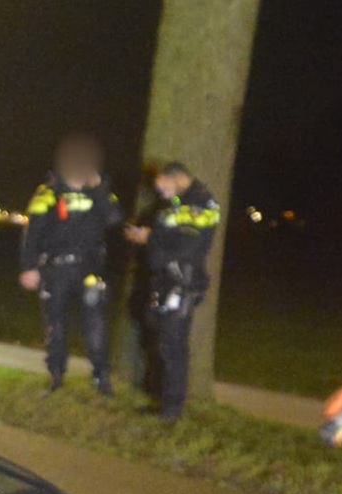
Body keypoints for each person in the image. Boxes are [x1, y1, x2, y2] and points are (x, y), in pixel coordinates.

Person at [18, 135, 125, 395]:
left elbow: (114, 218)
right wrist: (28, 267)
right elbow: (32, 233)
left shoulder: (98, 193)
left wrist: (99, 188)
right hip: (56, 270)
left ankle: (101, 377)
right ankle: (56, 376)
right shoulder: (48, 193)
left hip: (90, 269)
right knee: (55, 324)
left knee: (95, 324)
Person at [124, 162, 222, 422]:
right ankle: (161, 399)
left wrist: (149, 239)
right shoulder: (179, 203)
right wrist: (150, 234)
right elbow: (172, 237)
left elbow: (187, 249)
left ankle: (172, 409)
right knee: (159, 340)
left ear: (177, 177)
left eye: (162, 187)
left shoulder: (199, 203)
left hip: (181, 282)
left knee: (173, 346)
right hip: (166, 280)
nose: (161, 193)